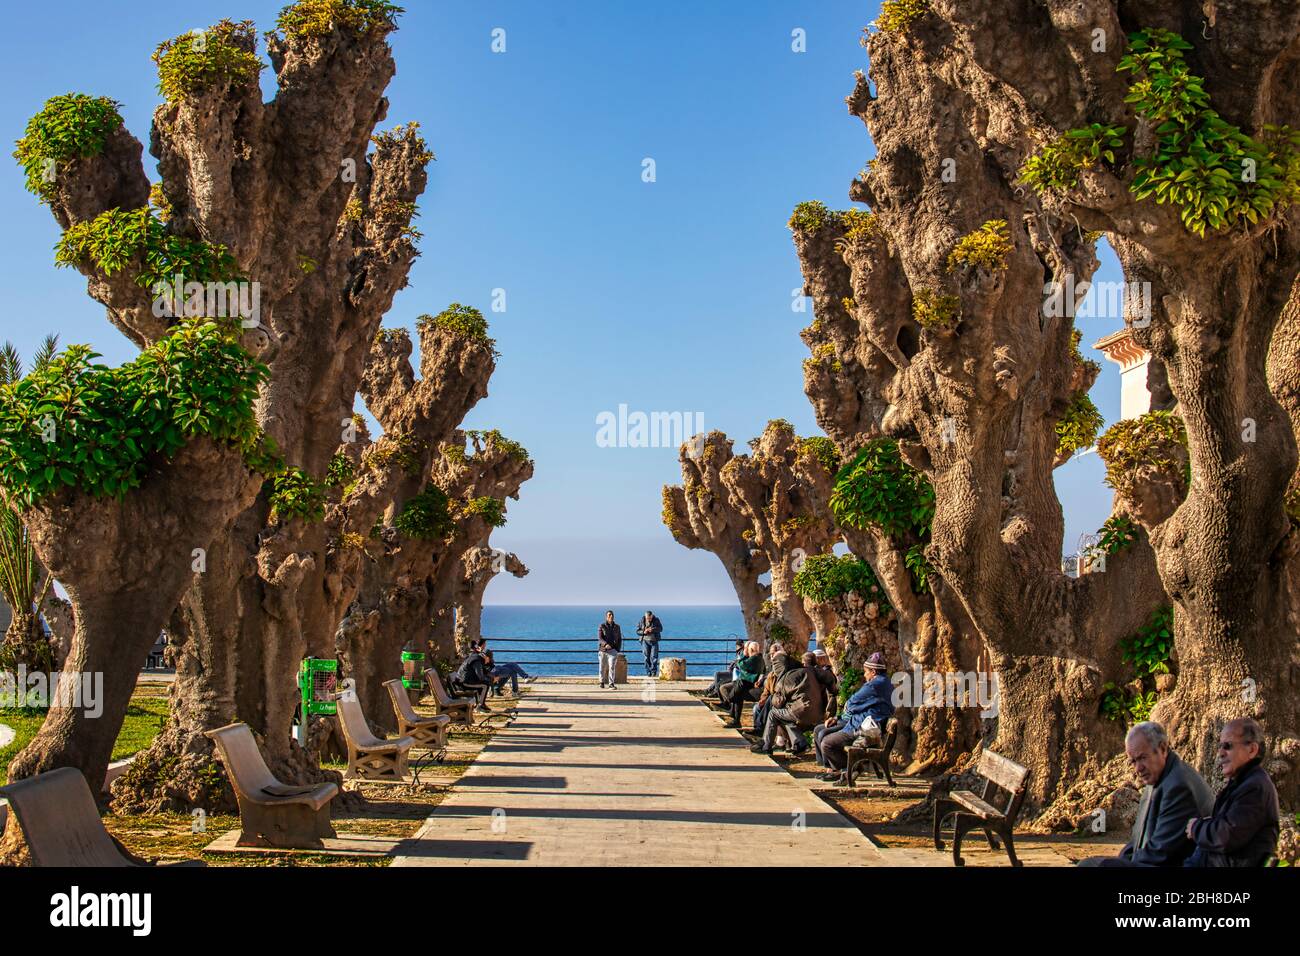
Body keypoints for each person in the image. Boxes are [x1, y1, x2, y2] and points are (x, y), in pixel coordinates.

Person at [1077, 721, 1213, 867]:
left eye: (1142, 758)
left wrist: (1121, 864)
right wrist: (1122, 859)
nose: (1138, 768)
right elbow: (1137, 843)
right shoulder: (1160, 777)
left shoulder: (1178, 786)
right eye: (1133, 761)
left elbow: (1160, 853)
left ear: (1162, 749)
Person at [1183, 718, 1280, 867]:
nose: (1220, 753)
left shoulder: (1255, 787)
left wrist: (1197, 828)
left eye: (1227, 746)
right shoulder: (1242, 783)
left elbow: (1226, 835)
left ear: (1252, 750)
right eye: (1220, 746)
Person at [820, 652, 894, 781]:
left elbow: (853, 702)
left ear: (873, 671)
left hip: (863, 729)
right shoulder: (885, 682)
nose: (864, 675)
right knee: (823, 735)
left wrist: (853, 708)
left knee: (827, 743)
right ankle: (845, 770)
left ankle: (849, 770)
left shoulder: (875, 684)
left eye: (866, 672)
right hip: (864, 724)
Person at [756, 650, 838, 756]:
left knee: (774, 713)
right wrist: (833, 692)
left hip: (802, 712)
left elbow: (777, 703)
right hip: (818, 713)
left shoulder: (786, 677)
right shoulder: (811, 671)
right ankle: (800, 743)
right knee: (786, 715)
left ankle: (766, 746)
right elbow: (830, 677)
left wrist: (774, 696)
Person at [719, 641, 766, 727]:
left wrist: (744, 655)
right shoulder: (760, 659)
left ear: (751, 650)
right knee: (732, 689)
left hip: (748, 683)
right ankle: (734, 717)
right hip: (749, 682)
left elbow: (741, 665)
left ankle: (727, 703)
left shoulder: (754, 658)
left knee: (737, 691)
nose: (747, 651)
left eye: (748, 649)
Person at [452, 643, 494, 712]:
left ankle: (480, 704)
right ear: (486, 657)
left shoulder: (476, 657)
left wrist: (489, 677)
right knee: (485, 685)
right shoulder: (477, 661)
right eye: (489, 660)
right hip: (464, 683)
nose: (488, 662)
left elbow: (482, 672)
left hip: (462, 680)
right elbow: (480, 677)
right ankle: (480, 706)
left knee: (483, 684)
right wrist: (489, 680)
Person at [598, 610, 622, 689]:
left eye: (612, 615)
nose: (611, 616)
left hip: (613, 650)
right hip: (603, 650)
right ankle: (601, 682)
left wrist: (617, 649)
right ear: (606, 617)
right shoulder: (602, 626)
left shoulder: (617, 627)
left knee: (612, 667)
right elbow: (600, 638)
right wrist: (605, 644)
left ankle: (611, 684)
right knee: (602, 667)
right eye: (609, 615)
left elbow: (619, 638)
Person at [636, 610, 663, 676]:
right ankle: (648, 672)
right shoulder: (642, 620)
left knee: (654, 657)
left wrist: (652, 630)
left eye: (649, 618)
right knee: (646, 657)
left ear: (652, 616)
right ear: (645, 617)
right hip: (645, 641)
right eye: (647, 618)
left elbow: (660, 629)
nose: (648, 620)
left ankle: (653, 671)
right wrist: (643, 632)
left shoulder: (656, 620)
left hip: (654, 641)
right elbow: (637, 631)